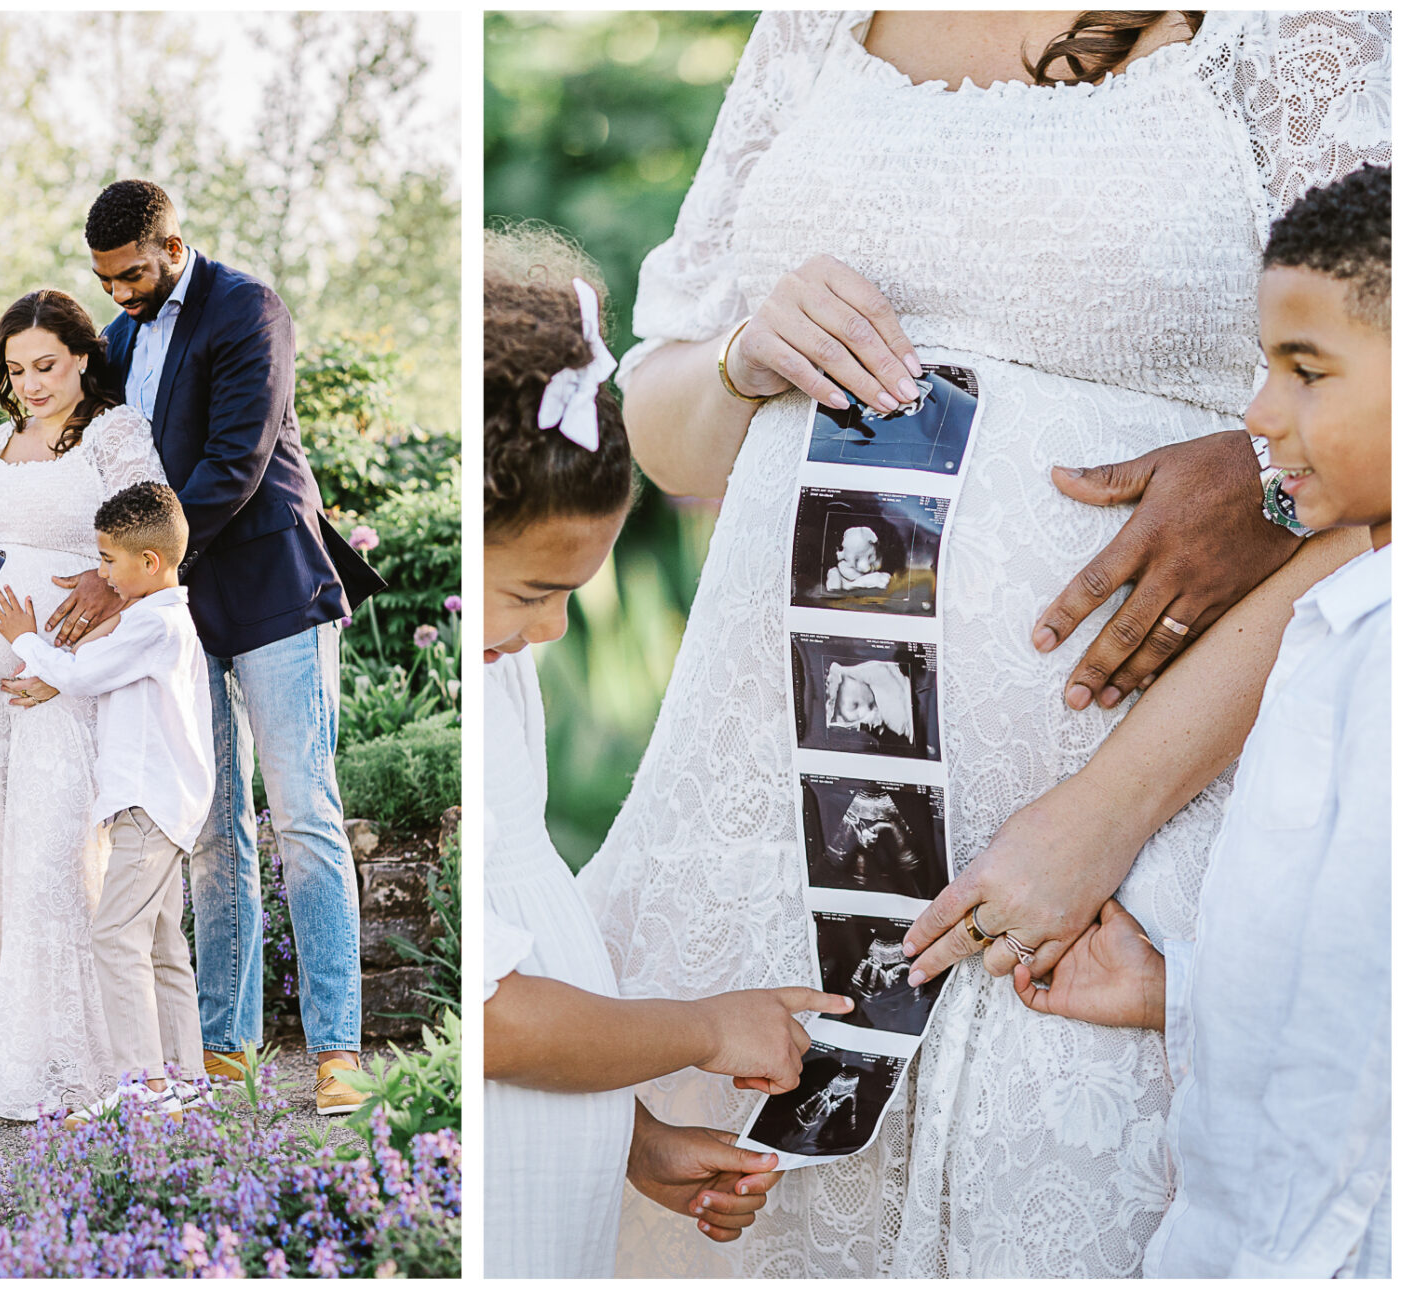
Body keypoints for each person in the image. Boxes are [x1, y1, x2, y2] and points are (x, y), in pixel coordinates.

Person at [581, 9, 1388, 1276]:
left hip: (1106, 872)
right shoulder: (815, 21)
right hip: (762, 858)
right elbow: (664, 430)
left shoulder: (1296, 30)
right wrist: (741, 359)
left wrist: (1101, 817)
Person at [1012, 164, 1390, 1277]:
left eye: (1306, 372)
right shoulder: (1346, 613)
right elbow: (1352, 974)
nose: (1259, 415)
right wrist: (1187, 996)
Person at [481, 225, 853, 1278]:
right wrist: (702, 1027)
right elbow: (495, 1014)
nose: (552, 632)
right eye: (534, 593)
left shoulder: (496, 655)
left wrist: (633, 1140)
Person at [53, 180, 384, 1114]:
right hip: (180, 612)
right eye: (103, 280)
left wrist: (126, 574)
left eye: (131, 274)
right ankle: (226, 1044)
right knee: (210, 825)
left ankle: (337, 1051)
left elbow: (234, 462)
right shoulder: (116, 343)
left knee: (306, 818)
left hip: (273, 586)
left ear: (172, 244)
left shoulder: (249, 309)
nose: (118, 294)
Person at [0, 288, 168, 1121]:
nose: (32, 384)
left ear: (84, 355)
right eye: (17, 370)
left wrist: (70, 657)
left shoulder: (114, 434)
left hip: (63, 668)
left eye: (47, 365)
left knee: (48, 852)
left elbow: (154, 546)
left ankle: (56, 1064)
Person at [0, 480, 216, 1127]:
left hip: (150, 806)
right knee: (163, 943)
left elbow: (84, 673)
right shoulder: (159, 621)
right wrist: (49, 675)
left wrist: (28, 639)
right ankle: (186, 1079)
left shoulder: (155, 621)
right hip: (158, 806)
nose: (102, 572)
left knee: (115, 935)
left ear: (150, 563)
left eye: (109, 561)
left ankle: (144, 1085)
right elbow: (94, 677)